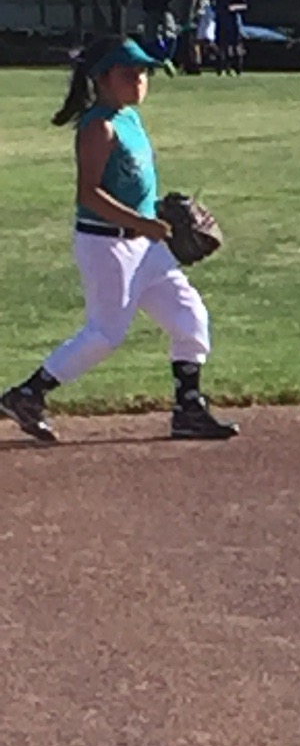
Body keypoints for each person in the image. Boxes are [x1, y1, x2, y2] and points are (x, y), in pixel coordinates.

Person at [1, 36, 238, 445]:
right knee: (105, 333)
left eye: (143, 72)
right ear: (103, 78)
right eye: (129, 73)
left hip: (145, 246)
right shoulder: (98, 126)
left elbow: (132, 185)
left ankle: (188, 410)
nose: (140, 80)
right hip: (106, 245)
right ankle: (27, 395)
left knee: (190, 318)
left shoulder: (129, 118)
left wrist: (156, 212)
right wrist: (142, 223)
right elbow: (89, 194)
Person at [211, 0, 248, 74]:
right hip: (220, 20)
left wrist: (234, 7)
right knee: (221, 45)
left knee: (235, 45)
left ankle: (237, 67)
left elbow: (245, 5)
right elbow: (212, 1)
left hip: (233, 21)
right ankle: (221, 67)